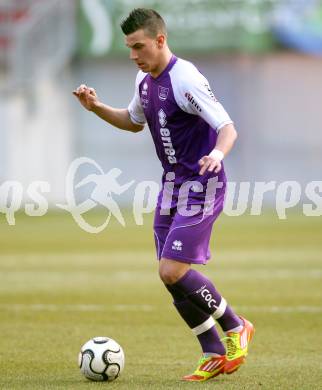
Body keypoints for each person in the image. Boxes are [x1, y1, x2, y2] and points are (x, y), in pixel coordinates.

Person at [73, 8, 254, 382]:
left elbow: (227, 127)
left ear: (159, 40)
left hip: (202, 186)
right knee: (168, 276)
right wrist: (96, 108)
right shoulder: (144, 79)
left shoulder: (185, 79)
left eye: (138, 46)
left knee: (172, 269)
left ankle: (236, 328)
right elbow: (133, 121)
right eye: (129, 48)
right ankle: (213, 350)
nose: (133, 55)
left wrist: (217, 154)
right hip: (171, 186)